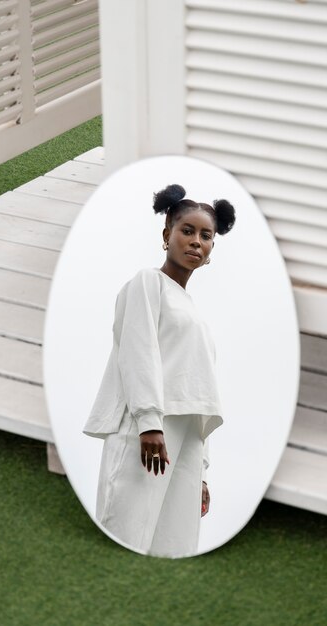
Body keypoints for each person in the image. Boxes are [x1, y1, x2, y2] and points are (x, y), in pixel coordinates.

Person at [83, 184, 236, 558]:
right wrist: (149, 423)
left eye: (206, 235)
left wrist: (200, 470)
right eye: (187, 231)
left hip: (186, 441)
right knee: (128, 528)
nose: (196, 241)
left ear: (213, 249)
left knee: (175, 543)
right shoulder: (147, 283)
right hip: (149, 429)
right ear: (166, 235)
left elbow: (200, 393)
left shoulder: (196, 315)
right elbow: (138, 352)